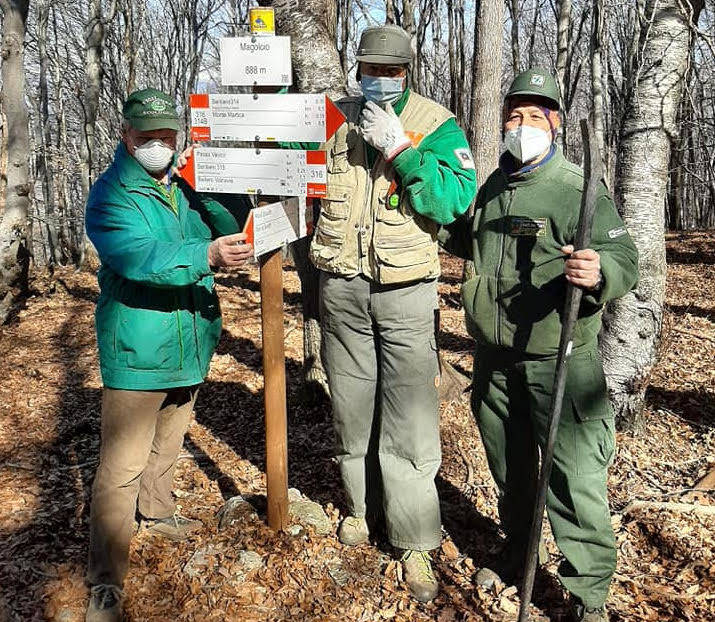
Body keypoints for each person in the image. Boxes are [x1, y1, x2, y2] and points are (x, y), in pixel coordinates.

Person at [440, 68, 638, 622]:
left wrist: (599, 271)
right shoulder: (496, 186)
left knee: (573, 479)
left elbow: (625, 258)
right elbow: (465, 234)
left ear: (554, 123)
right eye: (513, 116)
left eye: (534, 116)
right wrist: (425, 204)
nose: (521, 125)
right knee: (510, 468)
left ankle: (587, 596)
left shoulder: (577, 187)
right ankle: (518, 553)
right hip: (495, 358)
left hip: (560, 360)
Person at [311, 24, 477, 602]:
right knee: (352, 407)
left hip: (405, 288)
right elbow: (293, 177)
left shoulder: (436, 123)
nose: (378, 79)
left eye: (391, 70)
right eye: (369, 69)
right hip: (341, 284)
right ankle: (361, 510)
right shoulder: (333, 115)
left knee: (408, 416)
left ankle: (414, 540)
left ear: (409, 71)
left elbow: (454, 203)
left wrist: (401, 150)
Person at [83, 88, 252, 622]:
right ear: (126, 136)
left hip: (187, 343)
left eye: (166, 135)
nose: (158, 144)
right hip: (138, 347)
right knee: (121, 469)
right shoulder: (111, 195)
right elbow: (138, 257)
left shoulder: (182, 188)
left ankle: (156, 514)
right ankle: (105, 581)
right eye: (146, 136)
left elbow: (229, 227)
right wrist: (204, 255)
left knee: (167, 446)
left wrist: (209, 189)